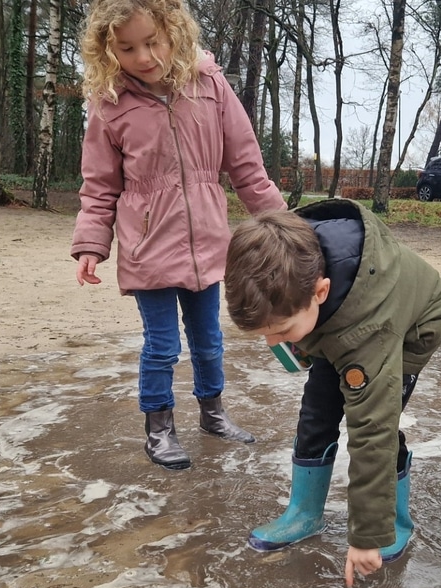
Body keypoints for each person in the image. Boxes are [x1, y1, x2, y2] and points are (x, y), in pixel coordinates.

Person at [72, 0, 286, 470]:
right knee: (163, 345)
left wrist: (283, 228)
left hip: (209, 243)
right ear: (108, 51)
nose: (144, 57)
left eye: (153, 42)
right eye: (127, 48)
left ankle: (213, 414)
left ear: (174, 32)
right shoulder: (109, 106)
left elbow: (248, 168)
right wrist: (91, 244)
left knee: (210, 340)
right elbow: (100, 185)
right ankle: (160, 428)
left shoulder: (209, 84)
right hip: (147, 248)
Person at [224, 199, 441, 588]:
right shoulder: (292, 266)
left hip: (407, 330)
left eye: (280, 331)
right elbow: (292, 318)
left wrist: (366, 537)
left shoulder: (370, 334)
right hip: (337, 324)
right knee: (317, 412)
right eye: (265, 333)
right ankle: (304, 512)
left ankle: (392, 524)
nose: (271, 344)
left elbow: (373, 431)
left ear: (320, 290)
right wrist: (293, 334)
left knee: (376, 416)